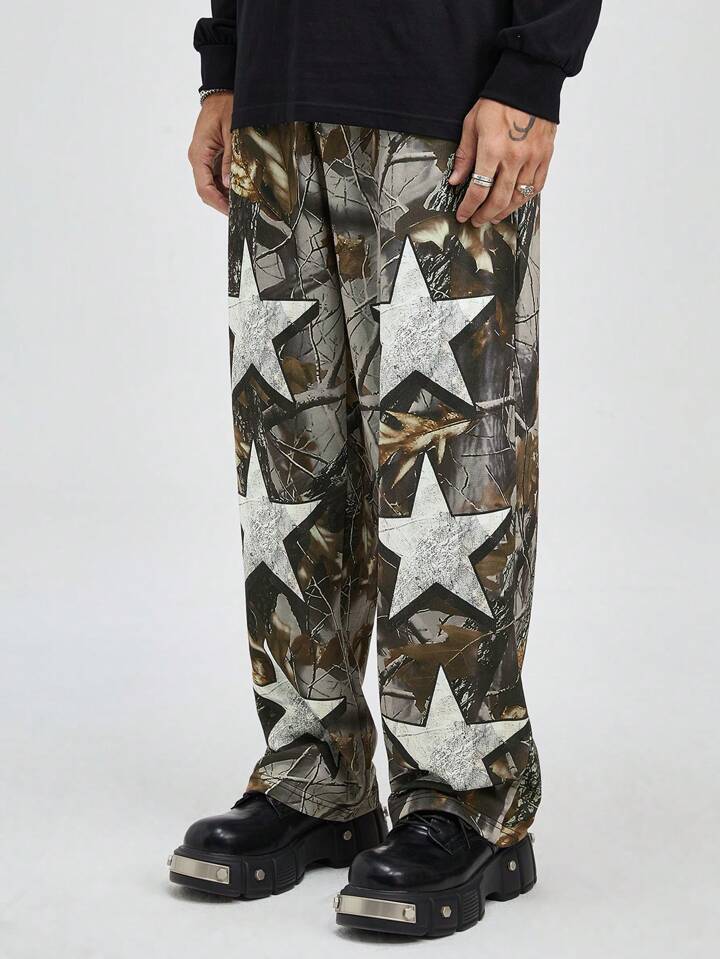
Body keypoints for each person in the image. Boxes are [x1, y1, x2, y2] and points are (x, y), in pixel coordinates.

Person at [168, 0, 601, 937]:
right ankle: (314, 774)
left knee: (447, 472)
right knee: (288, 468)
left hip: (444, 94)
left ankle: (465, 798)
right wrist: (227, 62)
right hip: (278, 97)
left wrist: (534, 69)